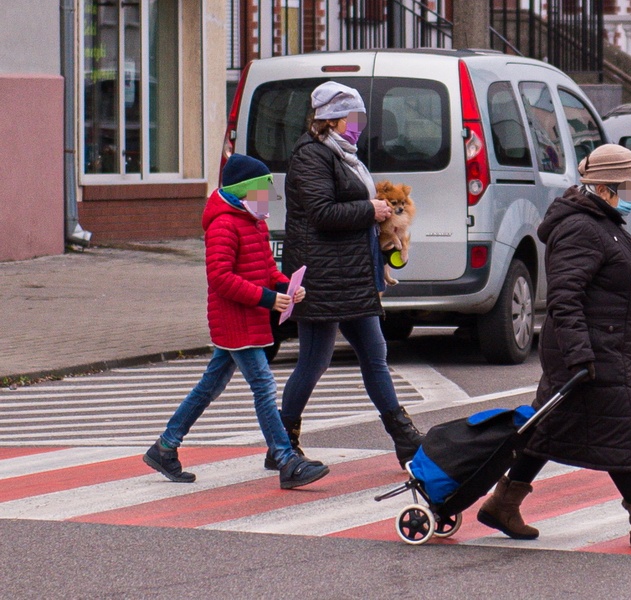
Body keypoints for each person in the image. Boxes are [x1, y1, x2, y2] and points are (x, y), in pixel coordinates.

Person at [476, 144, 631, 549]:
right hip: (589, 351)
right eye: (630, 186)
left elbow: (630, 280)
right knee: (620, 432)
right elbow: (565, 297)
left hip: (599, 347)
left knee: (546, 430)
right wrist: (581, 355)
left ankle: (503, 502)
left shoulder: (605, 224)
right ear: (605, 186)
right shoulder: (582, 228)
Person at [143, 154, 329, 489]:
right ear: (245, 191)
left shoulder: (251, 220)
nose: (269, 199)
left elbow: (265, 269)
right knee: (263, 386)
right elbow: (220, 278)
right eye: (264, 191)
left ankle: (165, 446)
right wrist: (268, 298)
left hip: (249, 318)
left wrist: (285, 285)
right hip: (234, 321)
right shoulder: (223, 224)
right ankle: (286, 459)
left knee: (209, 386)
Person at [266, 81, 423, 471]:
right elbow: (321, 213)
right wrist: (370, 211)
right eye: (353, 117)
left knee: (375, 356)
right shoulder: (311, 156)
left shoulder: (345, 156)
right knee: (314, 362)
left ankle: (406, 440)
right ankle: (282, 445)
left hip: (351, 274)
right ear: (331, 118)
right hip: (323, 277)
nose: (359, 125)